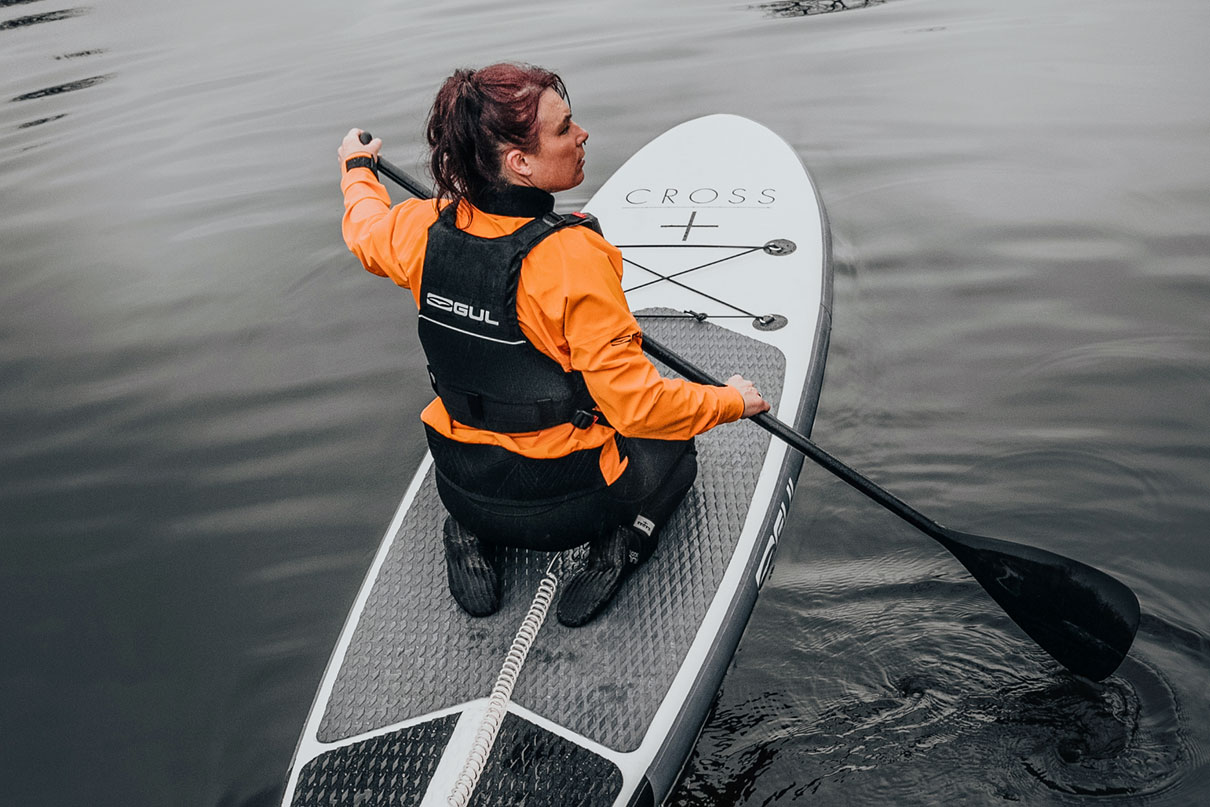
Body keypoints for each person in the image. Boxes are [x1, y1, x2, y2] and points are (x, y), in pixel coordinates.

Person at [337, 63, 769, 627]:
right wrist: (732, 402)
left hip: (462, 483)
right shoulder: (573, 262)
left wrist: (355, 169)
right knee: (679, 448)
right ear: (519, 162)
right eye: (565, 129)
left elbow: (365, 230)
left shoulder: (420, 230)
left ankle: (469, 533)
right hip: (573, 504)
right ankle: (624, 544)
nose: (582, 134)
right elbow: (638, 407)